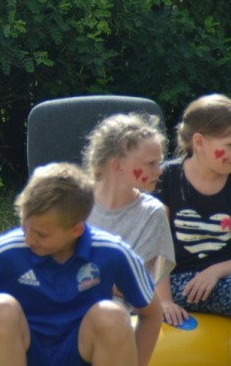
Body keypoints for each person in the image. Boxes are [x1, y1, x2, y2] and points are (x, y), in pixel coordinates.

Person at [0, 162, 162, 366]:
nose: (29, 239)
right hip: (22, 351)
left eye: (41, 234)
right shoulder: (6, 250)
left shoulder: (112, 251)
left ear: (76, 230)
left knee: (113, 315)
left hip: (81, 350)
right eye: (25, 226)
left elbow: (151, 312)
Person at [154, 93, 231, 365]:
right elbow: (155, 248)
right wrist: (164, 301)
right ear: (199, 142)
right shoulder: (166, 179)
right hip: (175, 283)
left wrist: (216, 271)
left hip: (224, 283)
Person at [84, 113, 178, 317]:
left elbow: (136, 286)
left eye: (159, 162)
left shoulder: (152, 213)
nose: (159, 171)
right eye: (150, 163)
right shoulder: (73, 201)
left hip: (115, 312)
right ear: (117, 165)